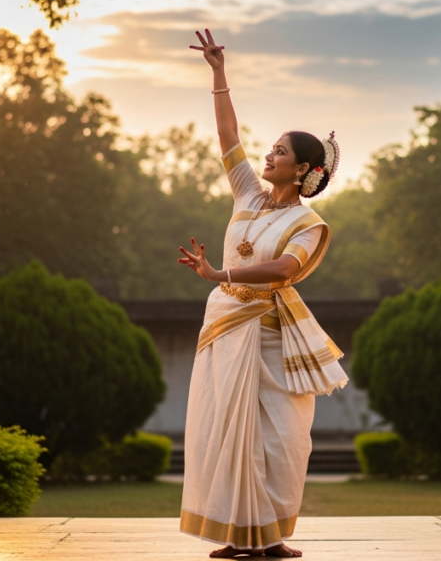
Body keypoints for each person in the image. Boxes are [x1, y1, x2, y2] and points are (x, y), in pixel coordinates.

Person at [177, 29, 349, 559]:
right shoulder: (249, 195)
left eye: (279, 152)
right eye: (270, 149)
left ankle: (270, 537)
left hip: (273, 338)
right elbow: (229, 139)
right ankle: (236, 533)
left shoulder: (308, 222)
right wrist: (218, 73)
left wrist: (220, 274)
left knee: (279, 439)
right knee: (225, 430)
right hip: (226, 330)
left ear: (302, 169)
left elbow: (282, 270)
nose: (268, 155)